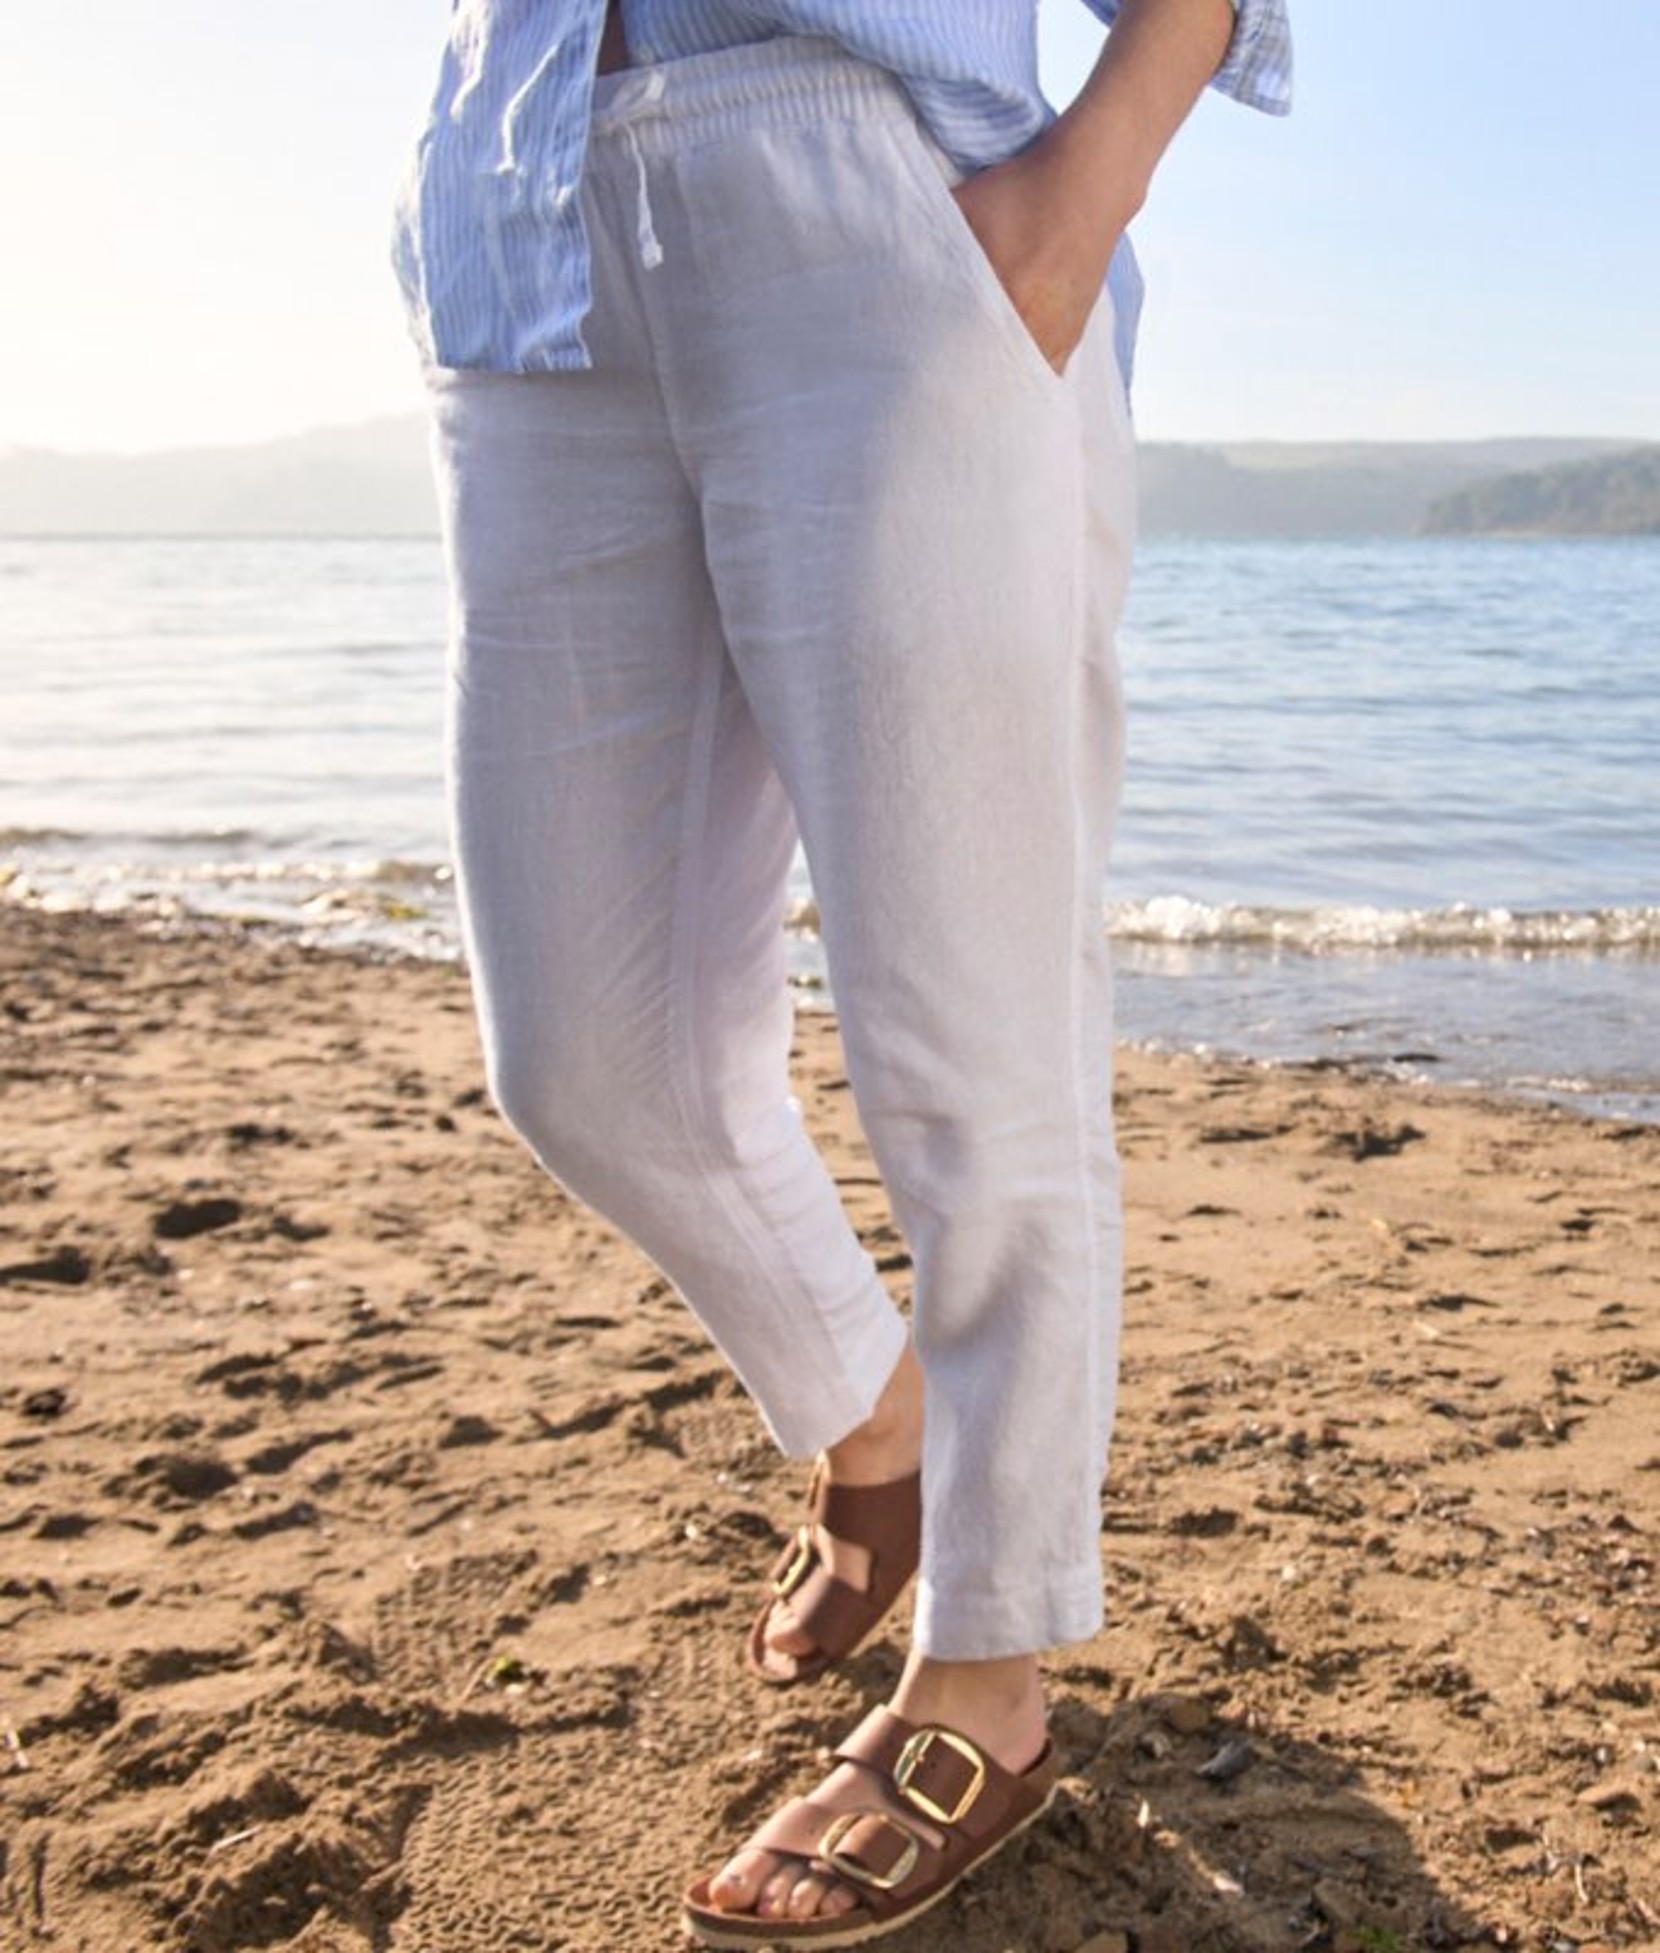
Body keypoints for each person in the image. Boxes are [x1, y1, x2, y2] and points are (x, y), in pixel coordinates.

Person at [393, 1, 1291, 1942]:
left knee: (970, 1034)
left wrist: (1096, 165)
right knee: (588, 1049)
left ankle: (990, 1664)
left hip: (877, 185)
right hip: (519, 220)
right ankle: (870, 1413)